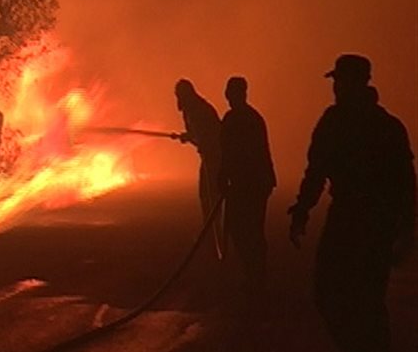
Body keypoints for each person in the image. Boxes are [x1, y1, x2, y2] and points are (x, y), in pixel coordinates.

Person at [287, 54, 415, 352]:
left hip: (350, 220)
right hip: (377, 223)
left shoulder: (335, 122)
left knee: (331, 293)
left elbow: (316, 171)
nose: (335, 88)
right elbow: (406, 183)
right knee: (367, 300)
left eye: (339, 81)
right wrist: (406, 228)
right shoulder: (389, 125)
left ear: (350, 82)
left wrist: (302, 211)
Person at [219, 76, 276, 296]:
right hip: (256, 183)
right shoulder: (251, 118)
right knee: (249, 229)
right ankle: (255, 275)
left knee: (244, 229)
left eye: (230, 91)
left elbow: (231, 153)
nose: (228, 95)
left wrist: (224, 177)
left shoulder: (237, 119)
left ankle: (255, 277)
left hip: (248, 184)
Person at [174, 79, 225, 259]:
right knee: (206, 196)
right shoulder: (193, 109)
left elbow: (207, 137)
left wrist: (191, 137)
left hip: (214, 159)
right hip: (209, 158)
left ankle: (217, 241)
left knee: (212, 197)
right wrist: (189, 137)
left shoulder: (198, 110)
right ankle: (212, 236)